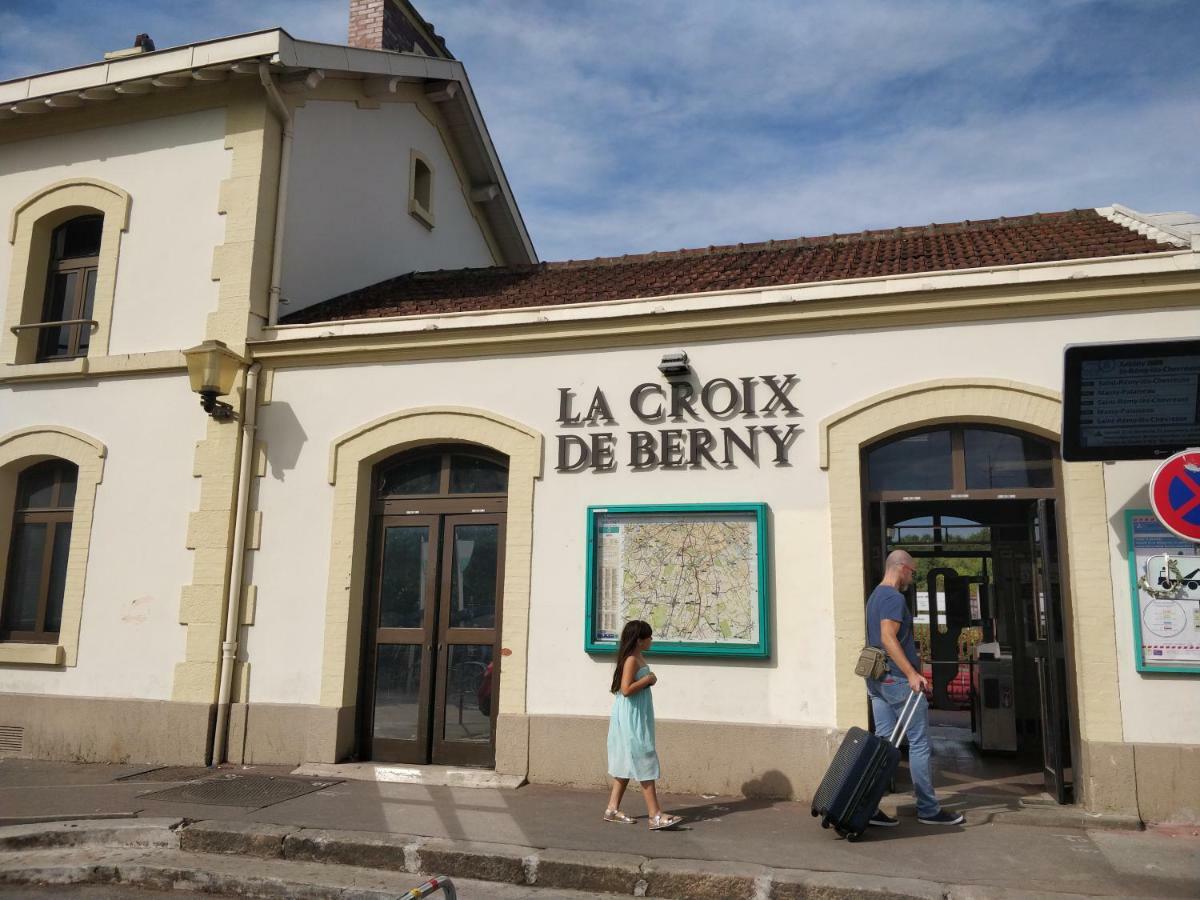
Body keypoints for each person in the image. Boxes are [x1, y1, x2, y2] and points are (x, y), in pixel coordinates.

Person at [865, 549, 965, 827]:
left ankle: (868, 805)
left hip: (877, 679)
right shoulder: (893, 598)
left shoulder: (874, 596)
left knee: (884, 744)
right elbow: (887, 637)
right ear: (902, 568)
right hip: (897, 679)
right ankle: (928, 809)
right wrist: (912, 673)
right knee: (920, 744)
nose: (913, 576)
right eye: (913, 571)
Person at [603, 620, 683, 830]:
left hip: (635, 714)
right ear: (639, 640)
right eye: (649, 637)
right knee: (644, 757)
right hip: (631, 717)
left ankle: (612, 809)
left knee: (626, 762)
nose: (651, 640)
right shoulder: (631, 659)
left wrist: (648, 679)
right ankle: (655, 814)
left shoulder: (637, 656)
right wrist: (648, 679)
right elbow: (626, 689)